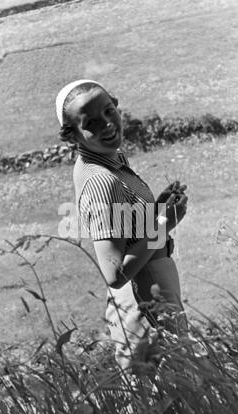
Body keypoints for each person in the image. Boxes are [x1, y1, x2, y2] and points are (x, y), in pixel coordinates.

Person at [56, 79, 188, 371]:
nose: (106, 124)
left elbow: (127, 231)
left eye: (108, 110)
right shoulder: (102, 180)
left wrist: (154, 210)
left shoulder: (109, 159)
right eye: (90, 122)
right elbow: (115, 273)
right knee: (164, 401)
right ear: (72, 135)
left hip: (152, 295)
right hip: (144, 306)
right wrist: (163, 225)